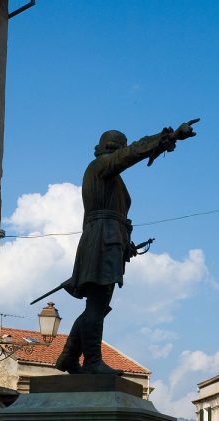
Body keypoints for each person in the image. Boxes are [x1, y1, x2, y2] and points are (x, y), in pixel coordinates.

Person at [55, 119, 199, 375]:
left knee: (96, 305)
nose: (119, 153)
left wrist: (125, 246)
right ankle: (92, 361)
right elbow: (131, 154)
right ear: (108, 149)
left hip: (107, 241)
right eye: (117, 148)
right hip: (102, 240)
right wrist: (169, 137)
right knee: (97, 304)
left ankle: (68, 356)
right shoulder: (101, 167)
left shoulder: (107, 175)